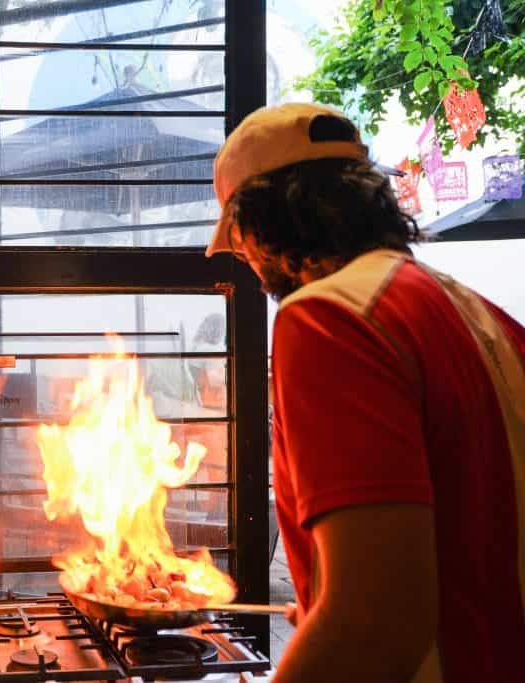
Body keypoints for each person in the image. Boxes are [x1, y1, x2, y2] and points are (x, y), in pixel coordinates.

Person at [206, 102, 525, 681]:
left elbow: (374, 621)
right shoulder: (484, 317)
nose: (248, 264)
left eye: (239, 243)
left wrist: (339, 615)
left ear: (258, 224)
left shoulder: (332, 316)